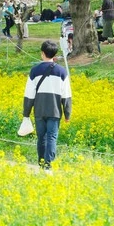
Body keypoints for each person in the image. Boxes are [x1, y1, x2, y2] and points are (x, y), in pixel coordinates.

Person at [23, 40, 72, 170]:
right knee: (52, 137)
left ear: (42, 53)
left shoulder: (34, 71)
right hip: (55, 111)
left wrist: (26, 113)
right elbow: (66, 95)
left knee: (41, 138)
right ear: (54, 54)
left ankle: (41, 163)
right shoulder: (62, 72)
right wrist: (67, 114)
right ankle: (48, 166)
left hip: (39, 111)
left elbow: (29, 94)